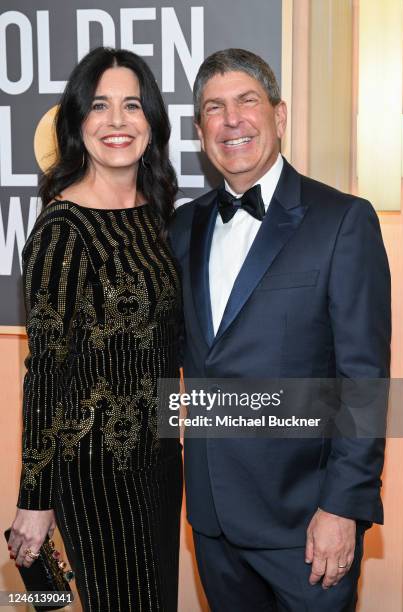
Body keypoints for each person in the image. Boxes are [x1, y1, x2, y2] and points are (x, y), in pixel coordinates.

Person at [169, 48, 391, 611]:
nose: (232, 120)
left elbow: (363, 380)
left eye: (247, 101)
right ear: (201, 131)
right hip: (213, 521)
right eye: (214, 109)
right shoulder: (182, 225)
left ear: (280, 115)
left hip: (308, 524)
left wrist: (344, 507)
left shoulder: (343, 220)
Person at [7, 47, 183, 612]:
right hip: (96, 474)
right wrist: (35, 498)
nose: (116, 121)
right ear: (78, 124)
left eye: (132, 105)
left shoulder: (156, 214)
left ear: (151, 123)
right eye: (100, 106)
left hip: (159, 461)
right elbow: (45, 373)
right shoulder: (64, 228)